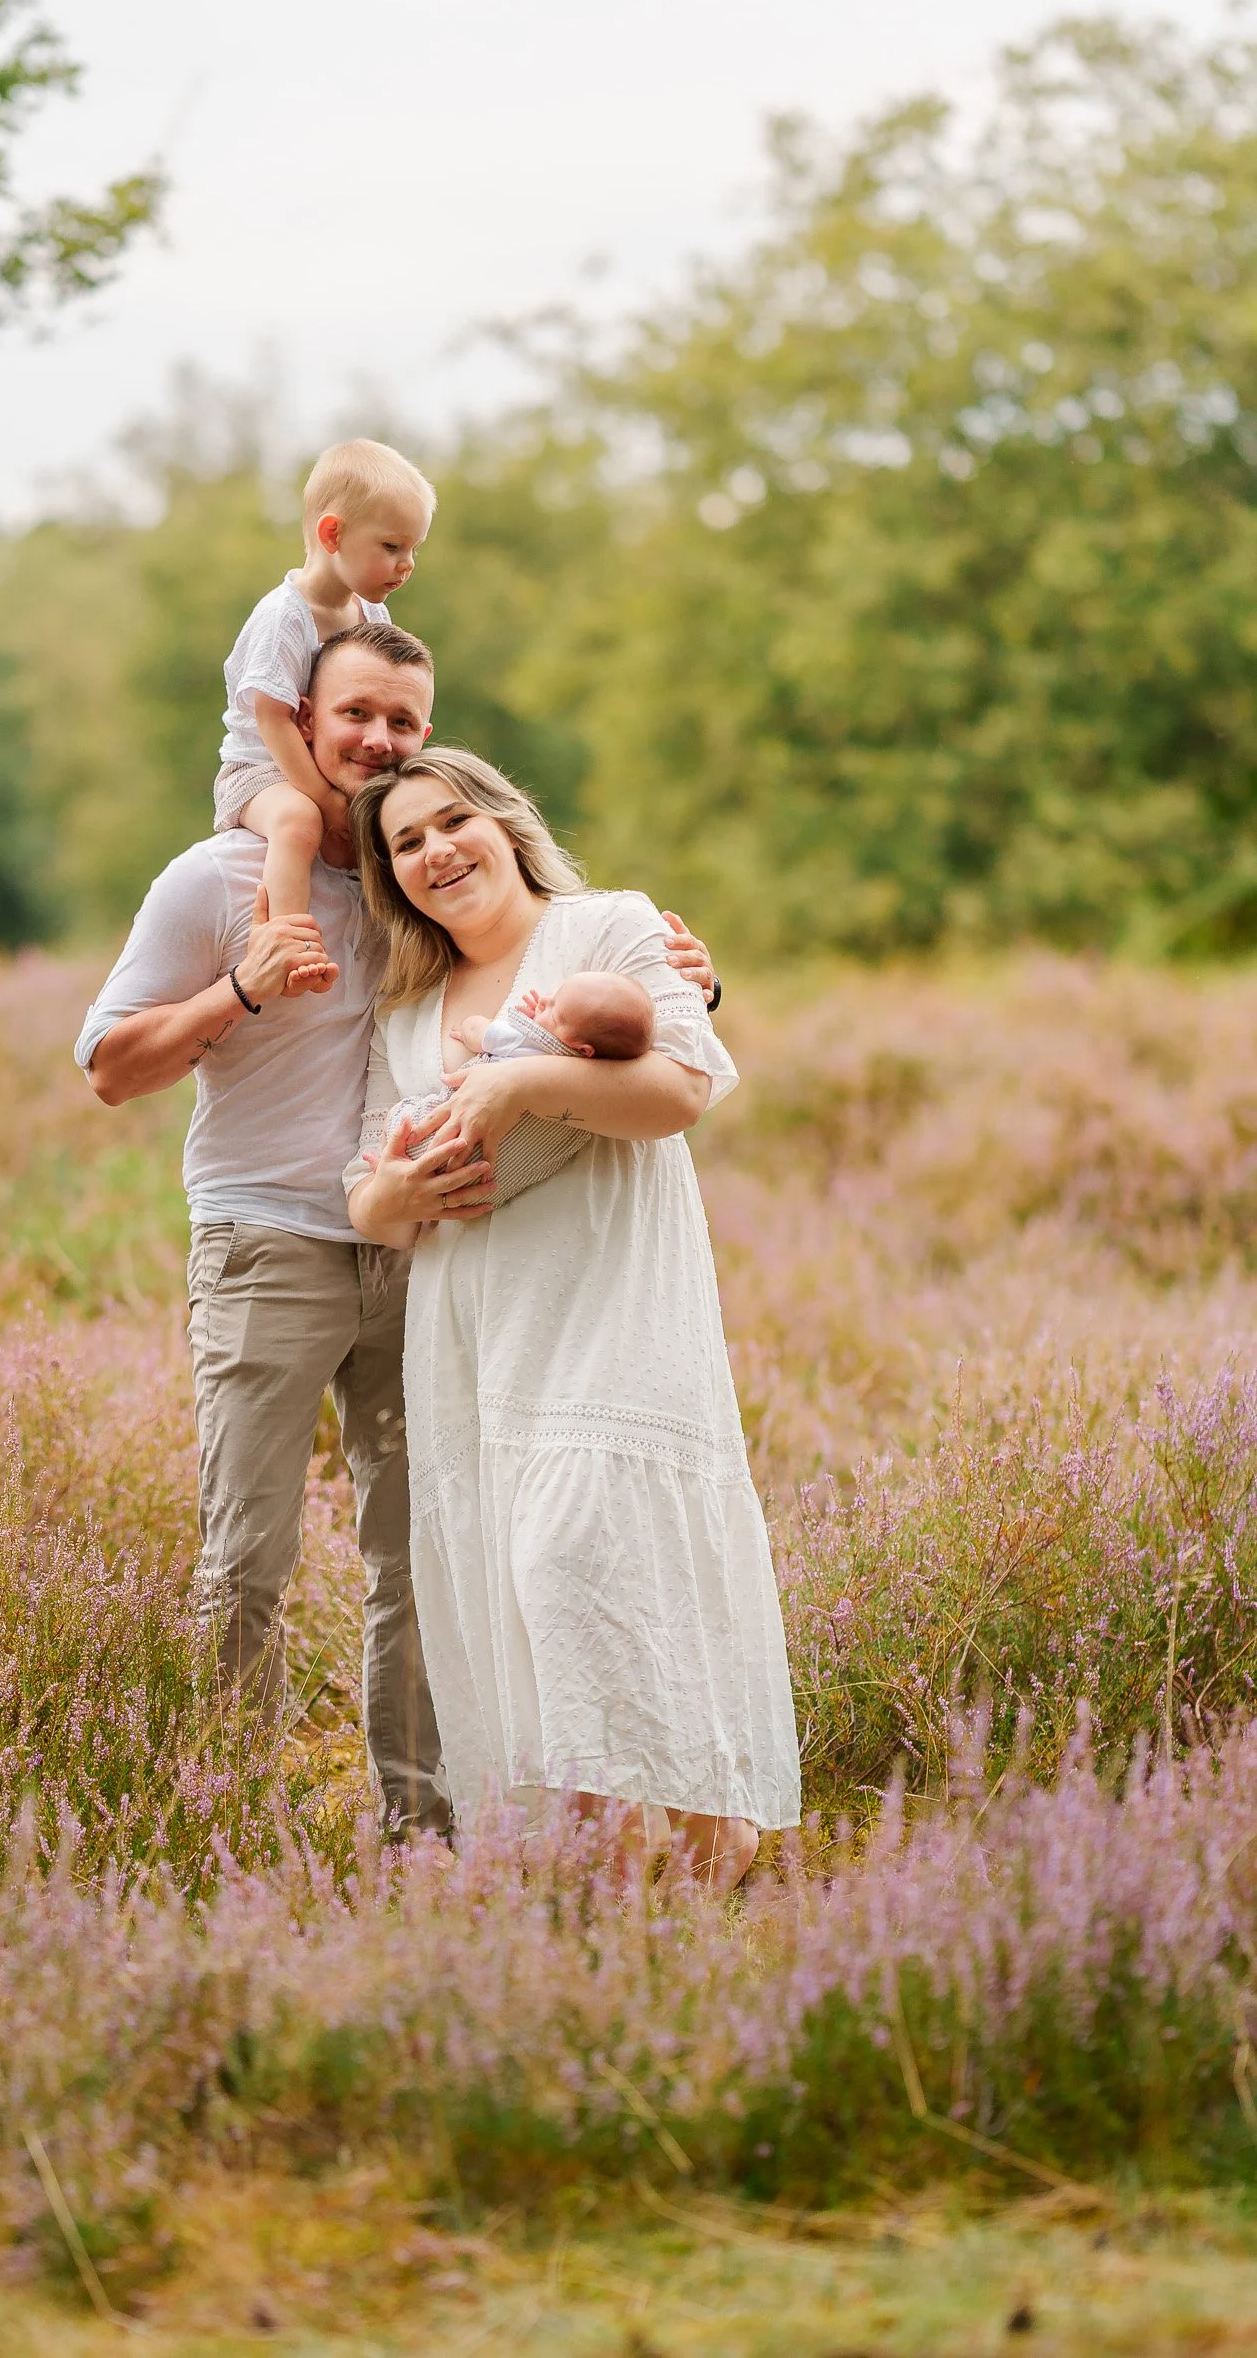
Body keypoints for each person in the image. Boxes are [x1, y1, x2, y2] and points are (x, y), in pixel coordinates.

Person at [75, 621, 721, 1841]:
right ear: (300, 722)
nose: (378, 741)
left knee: (421, 1557)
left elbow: (548, 949)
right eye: (356, 714)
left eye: (403, 722)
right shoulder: (214, 878)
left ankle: (421, 1833)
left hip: (421, 1266)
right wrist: (245, 987)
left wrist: (684, 985)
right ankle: (224, 1832)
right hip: (269, 1246)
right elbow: (107, 1067)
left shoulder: (405, 873)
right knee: (246, 1565)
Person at [345, 749, 800, 1886]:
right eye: (406, 843)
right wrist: (394, 1197)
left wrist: (519, 1087)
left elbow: (682, 1089)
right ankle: (593, 1861)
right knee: (519, 1575)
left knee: (580, 1548)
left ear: (505, 823)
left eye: (455, 822)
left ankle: (712, 1822)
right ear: (391, 877)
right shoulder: (405, 1007)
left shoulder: (606, 928)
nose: (437, 852)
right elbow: (364, 1188)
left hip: (607, 1294)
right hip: (474, 1327)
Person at [215, 438, 434, 953]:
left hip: (323, 763)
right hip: (260, 768)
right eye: (391, 547)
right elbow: (271, 718)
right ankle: (283, 944)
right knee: (299, 822)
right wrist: (323, 798)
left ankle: (401, 944)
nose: (406, 564)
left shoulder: (369, 614)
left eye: (412, 550)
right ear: (332, 534)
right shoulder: (284, 616)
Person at [384, 973, 656, 1210]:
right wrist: (547, 1018)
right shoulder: (589, 1084)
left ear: (583, 1048)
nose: (543, 1001)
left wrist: (472, 1026)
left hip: (437, 1144)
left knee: (401, 1121)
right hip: (484, 1185)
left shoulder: (522, 1039)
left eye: (554, 1010)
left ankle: (394, 1154)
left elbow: (478, 1031)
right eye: (553, 996)